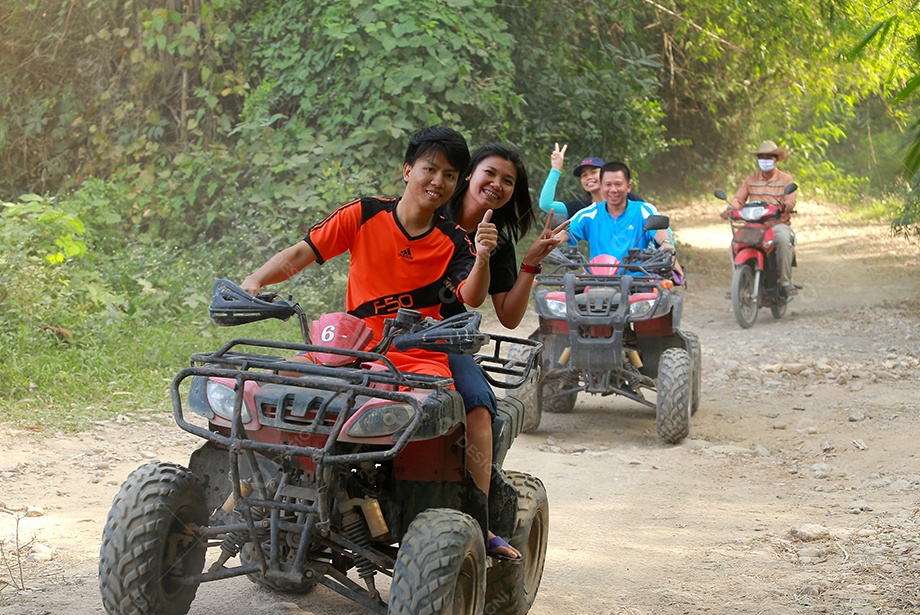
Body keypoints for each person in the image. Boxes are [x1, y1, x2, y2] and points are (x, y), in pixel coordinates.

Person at [239, 125, 519, 558]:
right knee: (267, 392)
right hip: (348, 348)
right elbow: (301, 253)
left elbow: (471, 296)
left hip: (419, 355)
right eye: (429, 169)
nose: (438, 181)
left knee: (452, 417)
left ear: (457, 182)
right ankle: (257, 490)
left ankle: (475, 522)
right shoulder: (363, 213)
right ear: (407, 170)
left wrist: (483, 257)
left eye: (449, 175)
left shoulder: (457, 242)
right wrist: (255, 281)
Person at [439, 143, 566, 559]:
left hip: (444, 340)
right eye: (490, 173)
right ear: (469, 174)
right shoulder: (428, 214)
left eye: (508, 181)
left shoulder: (500, 246)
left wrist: (530, 263)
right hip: (382, 328)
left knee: (478, 406)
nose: (497, 184)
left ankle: (480, 521)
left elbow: (508, 316)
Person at [562, 161, 681, 279]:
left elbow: (659, 230)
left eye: (618, 184)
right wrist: (551, 242)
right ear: (602, 187)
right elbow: (562, 235)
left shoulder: (643, 210)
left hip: (638, 282)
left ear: (629, 187)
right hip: (596, 281)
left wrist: (666, 243)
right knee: (563, 289)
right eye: (608, 185)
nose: (613, 189)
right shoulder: (588, 214)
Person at [721, 140, 797, 293]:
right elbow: (738, 199)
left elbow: (790, 200)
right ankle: (740, 281)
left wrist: (785, 206)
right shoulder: (751, 179)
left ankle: (784, 282)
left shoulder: (786, 179)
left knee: (783, 240)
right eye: (761, 157)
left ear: (776, 159)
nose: (764, 160)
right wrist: (730, 209)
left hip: (777, 225)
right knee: (735, 244)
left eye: (768, 157)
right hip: (754, 226)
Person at [538, 142, 643, 220]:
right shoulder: (581, 208)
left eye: (593, 172)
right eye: (584, 175)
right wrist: (555, 169)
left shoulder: (626, 197)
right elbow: (545, 204)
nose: (589, 177)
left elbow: (648, 218)